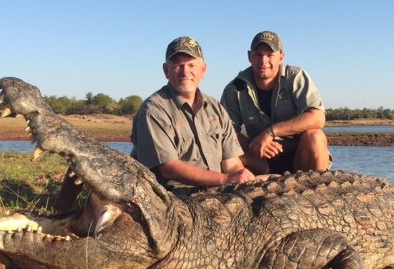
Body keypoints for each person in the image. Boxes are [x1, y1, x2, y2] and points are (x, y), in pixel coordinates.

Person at [130, 36, 257, 190]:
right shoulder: (154, 110)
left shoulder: (215, 107)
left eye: (192, 65)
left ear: (203, 70)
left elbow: (232, 164)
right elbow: (169, 168)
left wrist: (243, 178)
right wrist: (226, 179)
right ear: (166, 70)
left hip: (219, 191)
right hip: (174, 198)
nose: (185, 72)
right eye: (178, 65)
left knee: (274, 181)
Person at [221, 30, 332, 175]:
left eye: (270, 54)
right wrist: (251, 144)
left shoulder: (296, 77)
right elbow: (225, 133)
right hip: (260, 158)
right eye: (258, 55)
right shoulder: (234, 89)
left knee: (315, 136)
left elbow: (318, 118)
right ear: (249, 56)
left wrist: (271, 132)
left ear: (281, 57)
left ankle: (319, 185)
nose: (263, 61)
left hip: (299, 157)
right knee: (224, 153)